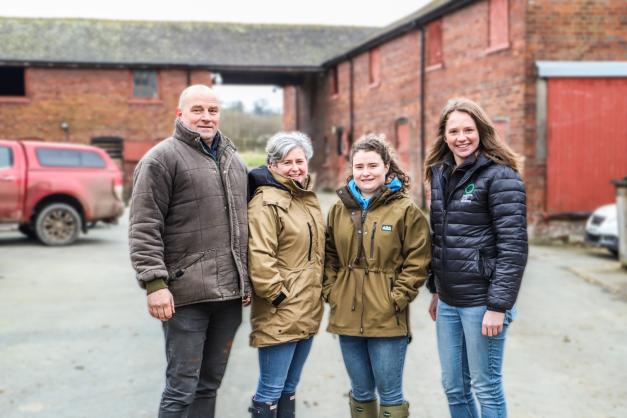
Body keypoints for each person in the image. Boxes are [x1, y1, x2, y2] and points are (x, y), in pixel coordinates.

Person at [129, 84, 251, 418]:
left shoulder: (233, 160)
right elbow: (144, 227)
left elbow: (243, 226)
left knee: (209, 385)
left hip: (228, 298)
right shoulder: (161, 159)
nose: (206, 117)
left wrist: (245, 280)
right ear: (180, 113)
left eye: (213, 110)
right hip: (185, 296)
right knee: (181, 388)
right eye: (198, 109)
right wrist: (155, 284)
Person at [424, 97, 528, 418]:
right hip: (449, 302)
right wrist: (436, 289)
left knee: (486, 387)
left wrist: (498, 306)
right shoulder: (440, 174)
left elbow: (514, 247)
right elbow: (441, 238)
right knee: (454, 388)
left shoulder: (500, 177)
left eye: (468, 129)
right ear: (444, 136)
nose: (462, 137)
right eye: (454, 131)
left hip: (483, 303)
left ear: (481, 131)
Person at [323, 134, 431, 418]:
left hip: (387, 317)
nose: (365, 172)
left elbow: (418, 260)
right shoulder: (338, 209)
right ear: (352, 170)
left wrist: (396, 298)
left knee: (390, 395)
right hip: (346, 315)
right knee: (360, 392)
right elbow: (329, 256)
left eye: (372, 165)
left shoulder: (405, 210)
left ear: (386, 168)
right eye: (359, 167)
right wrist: (332, 292)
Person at [246, 131, 325, 418]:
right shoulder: (266, 202)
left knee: (289, 388)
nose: (295, 167)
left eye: (300, 161)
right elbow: (260, 256)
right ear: (273, 165)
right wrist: (279, 297)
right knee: (270, 390)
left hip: (307, 306)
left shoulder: (304, 199)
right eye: (286, 162)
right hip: (281, 309)